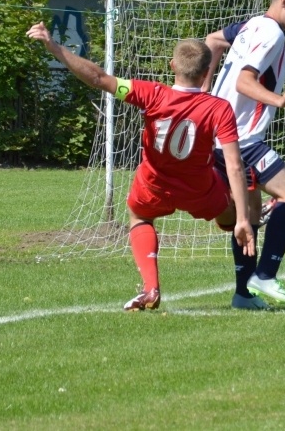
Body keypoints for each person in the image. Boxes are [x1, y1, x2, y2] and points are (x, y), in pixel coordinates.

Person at [26, 22, 255, 311]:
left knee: (138, 217)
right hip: (200, 189)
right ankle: (239, 244)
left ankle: (150, 288)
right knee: (237, 209)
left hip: (154, 185)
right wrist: (244, 218)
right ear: (207, 71)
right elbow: (235, 165)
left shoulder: (151, 94)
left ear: (173, 65)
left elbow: (98, 78)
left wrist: (53, 45)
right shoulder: (218, 107)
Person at [203, 0, 285, 310]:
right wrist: (279, 99)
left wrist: (205, 92)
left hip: (221, 135)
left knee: (249, 211)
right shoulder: (273, 35)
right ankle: (265, 274)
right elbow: (243, 82)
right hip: (242, 137)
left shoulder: (251, 25)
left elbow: (212, 40)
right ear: (284, 1)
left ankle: (243, 294)